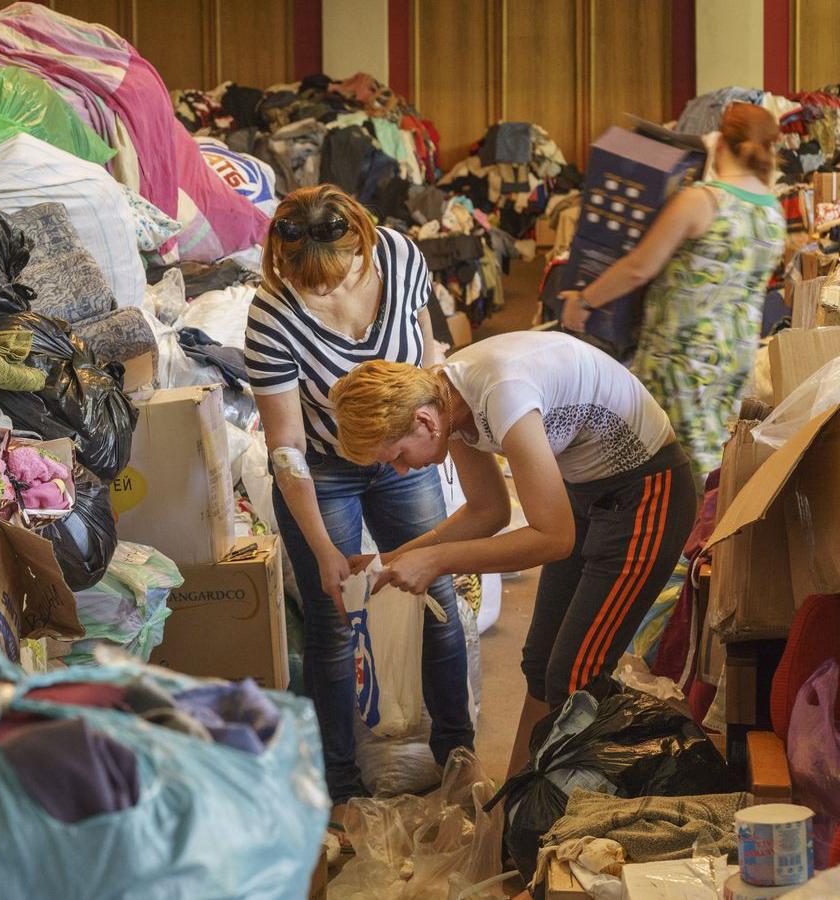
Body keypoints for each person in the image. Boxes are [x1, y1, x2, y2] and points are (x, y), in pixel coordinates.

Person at [329, 330, 698, 777]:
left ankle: (566, 826)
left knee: (575, 677)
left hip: (647, 493)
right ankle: (517, 810)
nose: (401, 470)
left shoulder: (500, 394)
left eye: (398, 456)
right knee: (541, 664)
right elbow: (489, 511)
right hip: (590, 493)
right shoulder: (445, 398)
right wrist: (392, 559)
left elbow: (553, 538)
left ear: (424, 423)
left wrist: (437, 561)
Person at [244, 184, 472, 834]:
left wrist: (432, 446)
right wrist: (321, 549)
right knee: (335, 621)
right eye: (307, 284)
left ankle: (459, 756)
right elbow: (285, 447)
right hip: (324, 469)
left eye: (335, 277)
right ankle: (339, 786)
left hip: (399, 454)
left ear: (360, 242)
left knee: (438, 594)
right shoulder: (270, 315)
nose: (324, 293)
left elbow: (428, 359)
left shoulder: (401, 258)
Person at [561, 102, 785, 489]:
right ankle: (715, 535)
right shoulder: (771, 211)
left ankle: (695, 541)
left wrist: (583, 301)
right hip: (734, 351)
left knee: (681, 457)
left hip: (683, 352)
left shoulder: (702, 201)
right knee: (716, 445)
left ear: (720, 143)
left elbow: (639, 266)